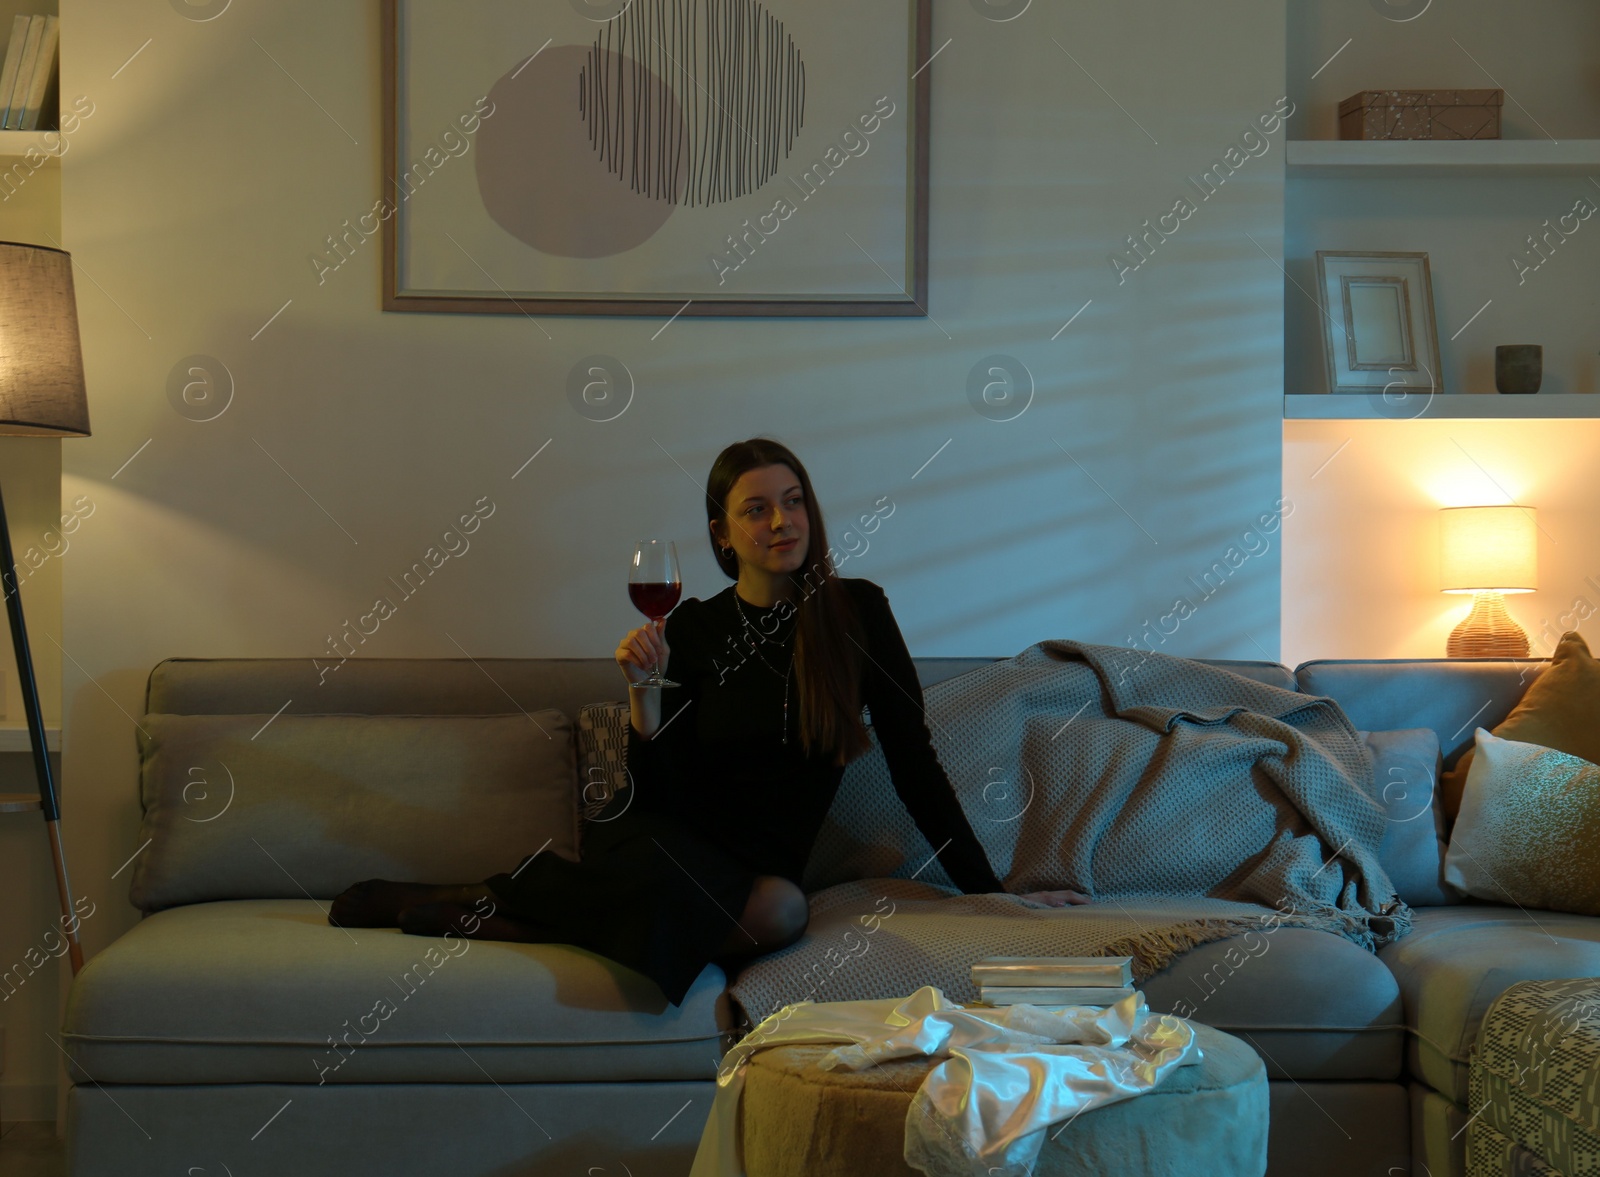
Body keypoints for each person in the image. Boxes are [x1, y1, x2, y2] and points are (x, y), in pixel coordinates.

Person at [328, 438, 1087, 1006]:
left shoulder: (858, 614)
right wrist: (641, 696)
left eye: (793, 501)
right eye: (756, 508)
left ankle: (501, 909)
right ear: (724, 535)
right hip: (667, 843)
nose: (782, 520)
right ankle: (473, 898)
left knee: (782, 908)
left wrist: (988, 892)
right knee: (702, 888)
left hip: (756, 869)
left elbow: (913, 759)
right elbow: (656, 788)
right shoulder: (690, 628)